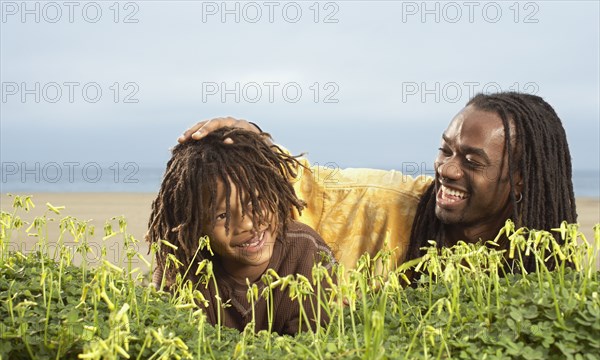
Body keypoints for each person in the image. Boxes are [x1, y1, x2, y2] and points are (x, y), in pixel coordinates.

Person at [180, 92, 577, 276]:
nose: (448, 169)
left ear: (522, 177)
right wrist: (259, 150)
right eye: (445, 150)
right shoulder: (387, 203)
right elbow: (316, 188)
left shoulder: (549, 252)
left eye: (472, 161)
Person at [147, 127, 336, 335]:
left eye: (255, 203)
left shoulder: (307, 252)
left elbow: (312, 347)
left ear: (274, 192)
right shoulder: (182, 270)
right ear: (194, 226)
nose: (246, 225)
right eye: (222, 216)